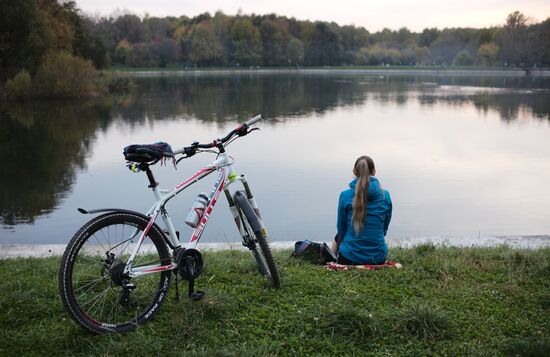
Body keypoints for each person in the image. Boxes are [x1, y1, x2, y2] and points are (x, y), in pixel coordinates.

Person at [331, 156, 392, 265]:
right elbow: (384, 228)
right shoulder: (385, 195)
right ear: (374, 171)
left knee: (338, 235)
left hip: (349, 258)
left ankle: (333, 260)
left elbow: (341, 228)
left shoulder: (345, 195)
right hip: (378, 257)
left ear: (354, 171)